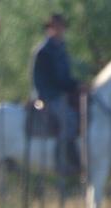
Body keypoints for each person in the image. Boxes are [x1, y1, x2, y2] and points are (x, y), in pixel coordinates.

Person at [30, 13, 82, 174]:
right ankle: (61, 160)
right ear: (49, 29)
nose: (58, 30)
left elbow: (64, 77)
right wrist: (75, 86)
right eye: (54, 27)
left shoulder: (60, 49)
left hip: (60, 93)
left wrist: (77, 85)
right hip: (48, 95)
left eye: (60, 27)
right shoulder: (44, 51)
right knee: (70, 120)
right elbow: (55, 79)